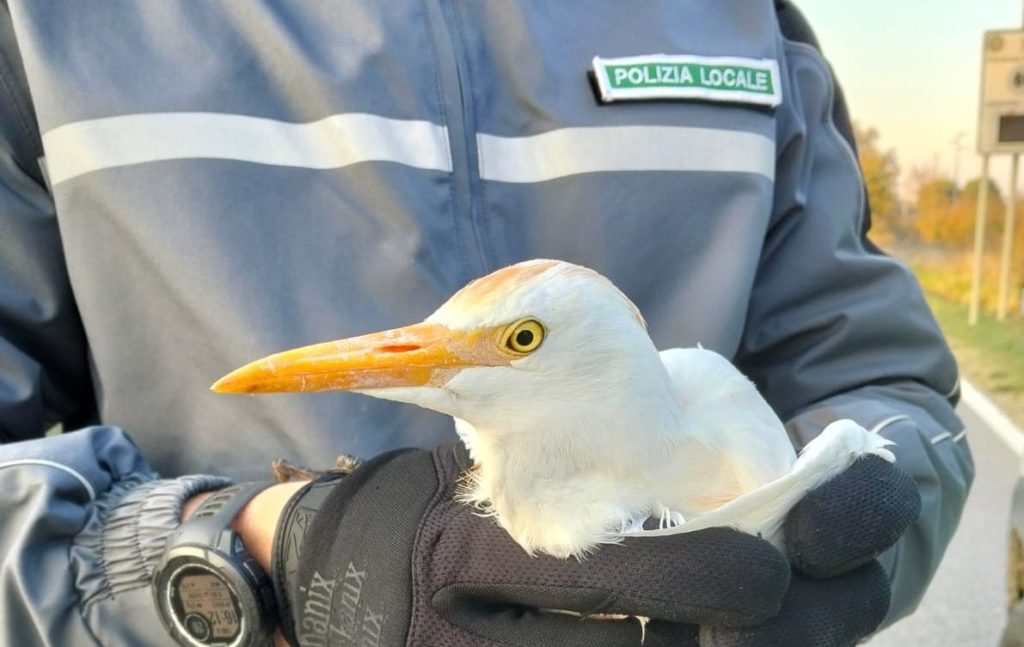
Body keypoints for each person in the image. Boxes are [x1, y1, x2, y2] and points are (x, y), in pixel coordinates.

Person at [0, 1, 973, 645]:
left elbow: (880, 387)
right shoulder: (46, 25)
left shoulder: (736, 18)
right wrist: (234, 556)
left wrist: (856, 531)